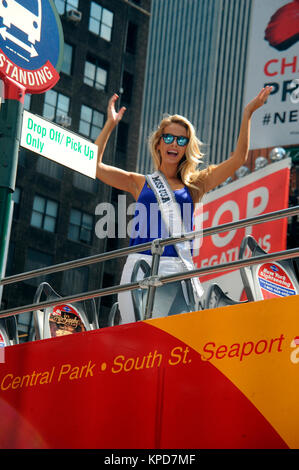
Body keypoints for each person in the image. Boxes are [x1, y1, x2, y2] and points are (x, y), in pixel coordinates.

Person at [95, 86, 273, 324]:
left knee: (171, 339)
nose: (174, 144)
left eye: (181, 140)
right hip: (139, 265)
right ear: (159, 143)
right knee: (134, 334)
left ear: (186, 147)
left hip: (176, 269)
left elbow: (238, 159)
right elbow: (94, 166)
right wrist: (110, 125)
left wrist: (248, 113)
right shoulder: (140, 183)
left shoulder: (195, 185)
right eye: (168, 137)